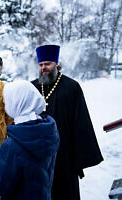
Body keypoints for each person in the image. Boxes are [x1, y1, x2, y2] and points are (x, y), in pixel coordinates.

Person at [31, 44, 104, 200]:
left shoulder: (72, 87)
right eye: (41, 64)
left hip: (64, 155)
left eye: (47, 64)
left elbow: (81, 123)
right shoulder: (33, 87)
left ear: (56, 63)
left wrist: (77, 160)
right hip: (38, 157)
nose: (44, 68)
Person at [0, 80, 60, 200]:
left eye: (7, 101)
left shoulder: (12, 144)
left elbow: (0, 185)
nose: (5, 104)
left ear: (18, 103)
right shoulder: (48, 131)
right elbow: (26, 161)